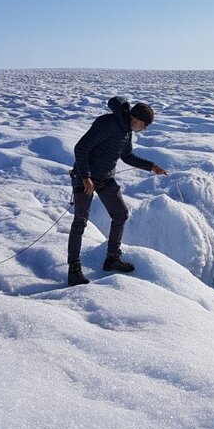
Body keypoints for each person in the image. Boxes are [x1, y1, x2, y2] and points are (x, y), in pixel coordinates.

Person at [66, 96, 167, 286]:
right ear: (136, 120)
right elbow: (81, 148)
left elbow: (126, 156)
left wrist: (151, 166)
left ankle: (112, 258)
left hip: (105, 178)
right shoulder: (109, 124)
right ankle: (74, 269)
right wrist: (86, 177)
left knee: (120, 214)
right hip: (84, 178)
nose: (144, 130)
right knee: (80, 221)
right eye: (144, 125)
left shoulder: (127, 130)